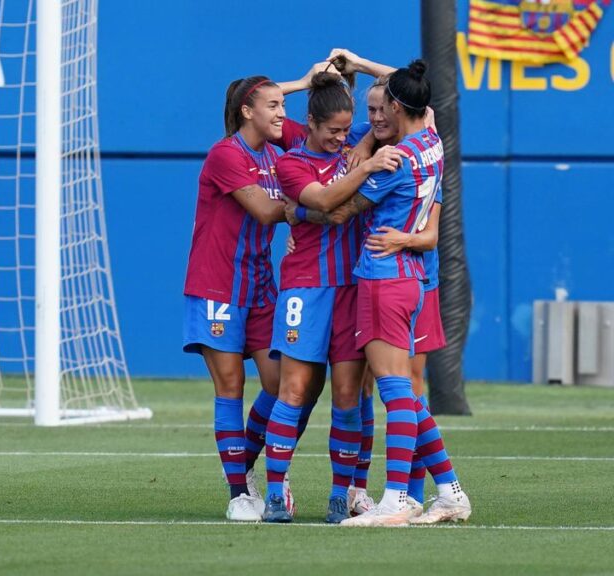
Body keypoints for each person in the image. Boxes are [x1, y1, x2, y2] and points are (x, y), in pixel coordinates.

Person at [287, 60, 470, 527]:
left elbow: (339, 207)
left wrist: (297, 212)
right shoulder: (432, 143)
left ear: (394, 105)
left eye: (381, 105)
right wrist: (369, 139)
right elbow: (417, 98)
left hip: (382, 277)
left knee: (395, 390)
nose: (376, 115)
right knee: (405, 391)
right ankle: (447, 491)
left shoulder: (397, 161)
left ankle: (396, 499)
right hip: (411, 277)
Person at [183, 64, 327, 521]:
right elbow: (266, 212)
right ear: (247, 111)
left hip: (261, 284)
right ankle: (238, 494)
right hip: (217, 285)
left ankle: (245, 467)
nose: (284, 113)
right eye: (274, 106)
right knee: (230, 386)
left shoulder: (276, 145)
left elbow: (327, 133)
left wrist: (304, 85)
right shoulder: (225, 154)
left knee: (284, 386)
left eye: (284, 105)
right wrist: (313, 201)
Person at [264, 69, 401, 524]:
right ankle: (273, 491)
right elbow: (323, 202)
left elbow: (419, 100)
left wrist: (359, 64)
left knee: (348, 395)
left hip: (352, 289)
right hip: (305, 289)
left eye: (348, 130)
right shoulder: (291, 162)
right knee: (295, 389)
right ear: (311, 125)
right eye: (332, 131)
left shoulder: (359, 140)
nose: (342, 138)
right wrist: (362, 167)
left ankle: (342, 494)